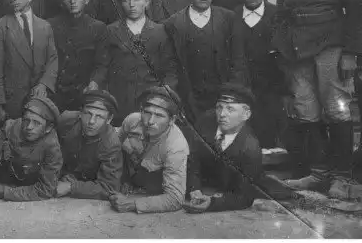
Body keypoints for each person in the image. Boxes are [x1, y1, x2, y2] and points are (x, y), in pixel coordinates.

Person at [273, 0, 362, 188]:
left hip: (330, 43)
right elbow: (281, 7)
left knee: (337, 108)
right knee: (306, 109)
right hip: (296, 45)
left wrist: (351, 52)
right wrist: (280, 46)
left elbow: (357, 7)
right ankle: (318, 174)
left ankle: (341, 177)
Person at [164, 0, 246, 121]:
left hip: (222, 97)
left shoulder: (228, 19)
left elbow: (238, 61)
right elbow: (170, 67)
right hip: (188, 99)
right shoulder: (173, 23)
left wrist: (232, 95)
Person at [94, 0, 179, 126]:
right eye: (126, 0)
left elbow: (170, 70)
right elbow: (102, 66)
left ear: (147, 2)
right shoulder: (110, 31)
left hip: (150, 103)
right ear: (120, 3)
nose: (132, 4)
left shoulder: (160, 31)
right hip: (118, 102)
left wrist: (163, 96)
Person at [0, 0, 58, 122]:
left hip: (40, 98)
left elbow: (53, 59)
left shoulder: (44, 26)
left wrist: (43, 84)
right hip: (12, 101)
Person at [108, 86, 189, 214]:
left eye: (159, 115)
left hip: (151, 188)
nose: (150, 121)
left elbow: (175, 198)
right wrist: (122, 179)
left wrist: (132, 204)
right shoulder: (133, 120)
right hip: (130, 179)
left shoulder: (176, 145)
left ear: (172, 120)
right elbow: (113, 149)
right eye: (147, 112)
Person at [184, 83, 262, 213]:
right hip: (198, 190)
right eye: (219, 107)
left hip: (224, 198)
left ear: (246, 114)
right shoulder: (205, 123)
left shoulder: (250, 148)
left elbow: (245, 196)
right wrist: (194, 188)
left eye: (230, 109)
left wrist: (212, 203)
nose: (222, 114)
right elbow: (191, 159)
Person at [232, 0, 286, 149]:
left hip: (273, 87)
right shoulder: (232, 16)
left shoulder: (277, 15)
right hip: (242, 85)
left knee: (270, 128)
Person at [0, 96, 63, 202]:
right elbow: (4, 130)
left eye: (37, 123)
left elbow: (46, 190)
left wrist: (5, 192)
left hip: (29, 182)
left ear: (48, 128)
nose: (29, 127)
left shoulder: (52, 147)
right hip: (11, 172)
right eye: (26, 120)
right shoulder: (16, 124)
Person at [48, 0, 109, 112]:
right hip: (55, 93)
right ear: (61, 2)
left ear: (86, 0)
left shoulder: (98, 28)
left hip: (84, 92)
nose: (72, 1)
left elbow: (102, 65)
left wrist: (94, 83)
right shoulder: (50, 25)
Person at [56, 90, 122, 199]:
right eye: (88, 114)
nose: (91, 121)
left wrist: (71, 187)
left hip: (86, 184)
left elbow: (109, 187)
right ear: (80, 112)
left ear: (109, 119)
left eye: (99, 116)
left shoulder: (111, 144)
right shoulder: (66, 121)